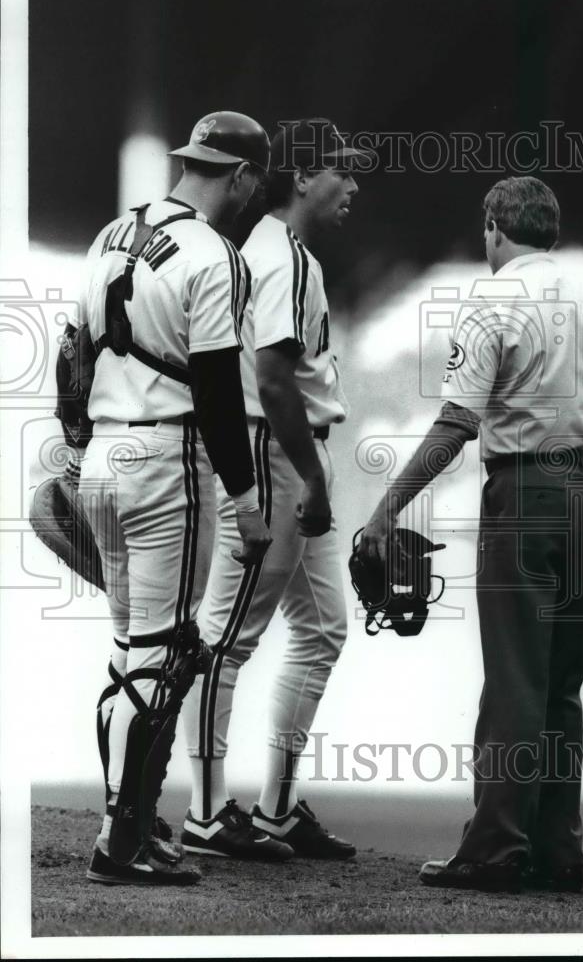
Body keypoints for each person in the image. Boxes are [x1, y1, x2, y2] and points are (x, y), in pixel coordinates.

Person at [359, 176, 583, 893]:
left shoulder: (491, 299)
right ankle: (557, 851)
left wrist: (387, 508)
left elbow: (456, 421)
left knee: (514, 680)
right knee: (562, 687)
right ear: (552, 231)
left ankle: (495, 847)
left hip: (525, 491)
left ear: (493, 229)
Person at [69, 111, 284, 886]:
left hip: (103, 451)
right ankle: (121, 846)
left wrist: (76, 448)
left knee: (132, 656)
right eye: (256, 180)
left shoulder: (107, 236)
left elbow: (72, 357)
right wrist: (248, 498)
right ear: (244, 176)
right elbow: (222, 391)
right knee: (161, 660)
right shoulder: (213, 252)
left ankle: (125, 830)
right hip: (166, 457)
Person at [180, 119, 367, 860]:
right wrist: (313, 481)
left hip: (284, 447)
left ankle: (277, 809)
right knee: (228, 638)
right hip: (274, 449)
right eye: (342, 172)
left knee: (321, 630)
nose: (351, 187)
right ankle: (201, 814)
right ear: (301, 179)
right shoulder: (280, 256)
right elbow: (271, 379)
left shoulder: (275, 252)